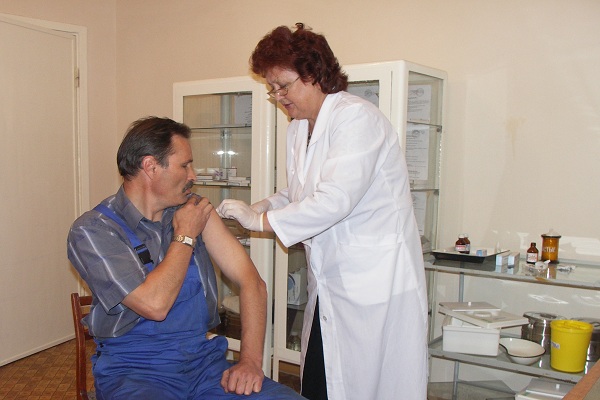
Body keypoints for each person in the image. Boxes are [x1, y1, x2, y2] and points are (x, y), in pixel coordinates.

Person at [217, 24, 429, 400]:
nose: (278, 96)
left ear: (314, 74)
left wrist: (261, 222)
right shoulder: (299, 128)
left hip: (374, 283)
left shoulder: (356, 118)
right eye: (272, 88)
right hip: (331, 284)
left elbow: (334, 200)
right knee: (320, 379)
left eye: (283, 85)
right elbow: (299, 192)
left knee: (368, 383)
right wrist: (262, 206)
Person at [67, 116, 305, 400]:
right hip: (134, 372)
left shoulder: (195, 210)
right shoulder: (93, 230)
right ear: (150, 166)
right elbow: (154, 305)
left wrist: (250, 362)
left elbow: (252, 283)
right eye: (185, 165)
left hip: (204, 366)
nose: (193, 175)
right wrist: (185, 236)